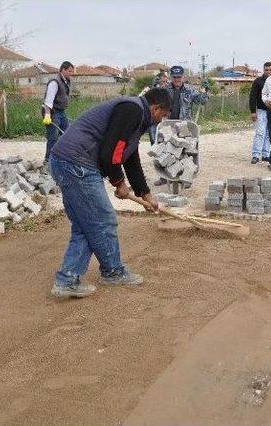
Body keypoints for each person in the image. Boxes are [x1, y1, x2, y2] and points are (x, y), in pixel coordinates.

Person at [48, 88, 172, 298]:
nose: (163, 119)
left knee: (85, 225)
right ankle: (112, 272)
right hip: (77, 165)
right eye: (164, 114)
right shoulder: (131, 110)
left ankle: (67, 279)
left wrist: (145, 194)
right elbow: (109, 152)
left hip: (65, 161)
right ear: (156, 108)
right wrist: (118, 183)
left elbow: (130, 158)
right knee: (103, 220)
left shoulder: (136, 115)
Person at [42, 61, 75, 163]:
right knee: (53, 137)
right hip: (52, 112)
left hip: (61, 112)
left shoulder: (66, 81)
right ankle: (48, 161)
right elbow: (49, 99)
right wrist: (47, 115)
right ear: (63, 70)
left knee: (67, 133)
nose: (71, 73)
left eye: (72, 71)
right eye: (69, 71)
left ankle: (62, 157)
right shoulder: (54, 82)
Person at [249, 62, 271, 164]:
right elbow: (252, 97)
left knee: (268, 134)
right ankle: (255, 155)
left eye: (270, 70)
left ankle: (265, 155)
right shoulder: (258, 81)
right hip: (261, 111)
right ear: (264, 70)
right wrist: (253, 111)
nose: (268, 72)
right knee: (260, 133)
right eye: (266, 70)